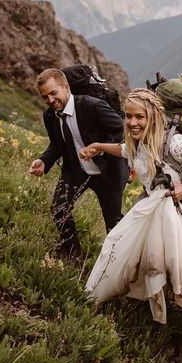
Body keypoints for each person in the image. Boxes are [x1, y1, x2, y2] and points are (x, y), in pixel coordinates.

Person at [80, 88, 182, 336]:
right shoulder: (137, 142)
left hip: (177, 213)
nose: (132, 122)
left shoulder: (176, 143)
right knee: (137, 251)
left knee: (180, 266)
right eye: (128, 116)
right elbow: (125, 150)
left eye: (140, 117)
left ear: (153, 117)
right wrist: (99, 146)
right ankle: (138, 301)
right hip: (151, 208)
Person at [29, 68, 129, 257]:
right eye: (45, 97)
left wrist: (101, 147)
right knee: (59, 209)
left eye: (53, 93)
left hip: (107, 172)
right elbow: (56, 144)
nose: (50, 100)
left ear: (65, 87)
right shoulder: (49, 116)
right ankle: (73, 254)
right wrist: (43, 161)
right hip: (76, 171)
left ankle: (118, 262)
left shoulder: (93, 106)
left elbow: (124, 131)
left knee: (113, 223)